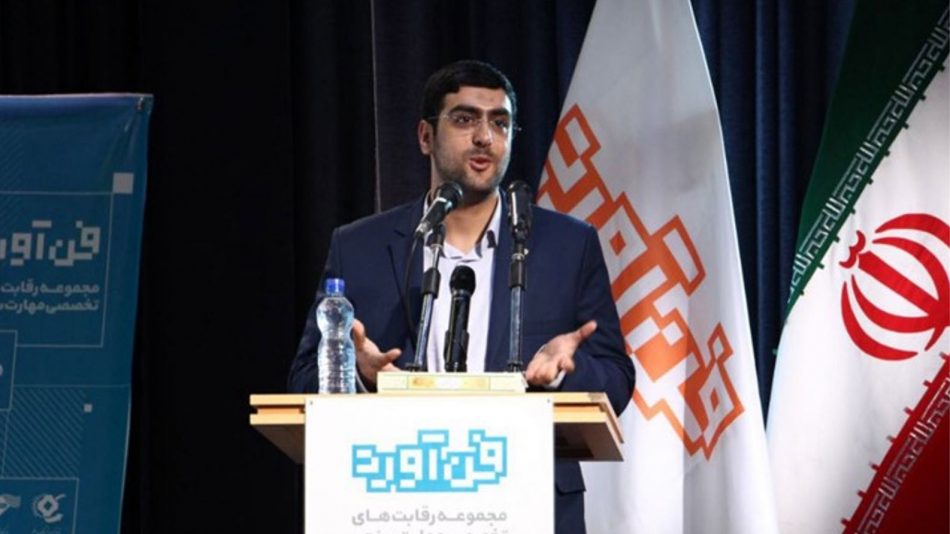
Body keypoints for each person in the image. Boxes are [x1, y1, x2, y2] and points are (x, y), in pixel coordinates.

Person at [289, 59, 635, 534]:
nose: (484, 137)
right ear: (425, 136)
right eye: (465, 119)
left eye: (500, 122)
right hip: (395, 504)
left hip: (527, 503)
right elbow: (304, 381)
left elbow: (617, 380)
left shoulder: (567, 246)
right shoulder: (359, 247)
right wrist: (360, 375)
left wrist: (560, 374)